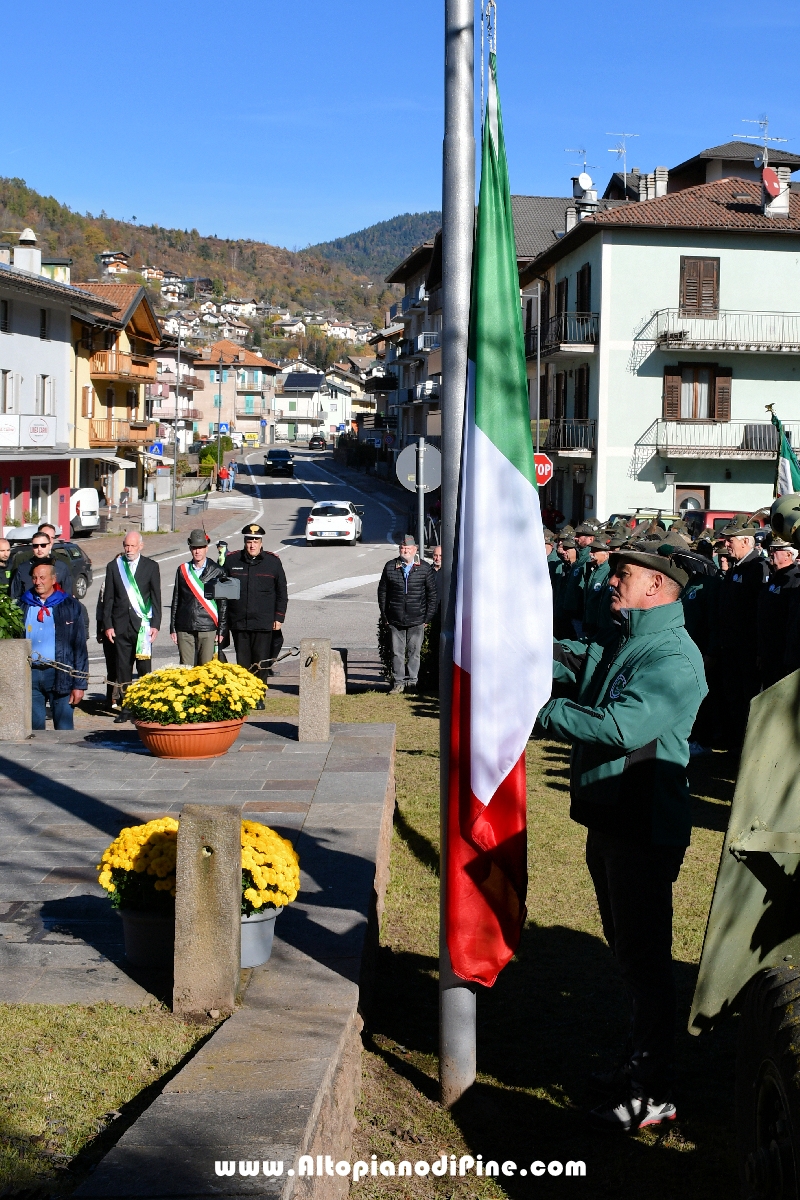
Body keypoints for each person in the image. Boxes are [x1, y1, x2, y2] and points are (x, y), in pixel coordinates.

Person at [538, 542, 707, 1132]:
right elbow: (590, 662)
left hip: (641, 828)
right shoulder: (632, 639)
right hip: (612, 819)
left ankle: (654, 1090)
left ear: (657, 588)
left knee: (646, 962)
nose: (613, 582)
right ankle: (636, 1066)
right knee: (630, 958)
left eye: (624, 575)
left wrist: (542, 708)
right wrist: (543, 653)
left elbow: (620, 726)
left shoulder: (672, 658)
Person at [713, 516, 771, 750]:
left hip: (747, 649)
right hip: (731, 647)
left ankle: (748, 750)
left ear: (746, 541)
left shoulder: (757, 568)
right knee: (733, 697)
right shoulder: (737, 567)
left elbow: (759, 613)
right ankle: (735, 745)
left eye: (731, 540)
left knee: (747, 699)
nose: (727, 545)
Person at [22, 560, 88, 730]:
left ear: (53, 579)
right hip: (31, 674)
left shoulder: (69, 606)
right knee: (34, 730)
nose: (38, 582)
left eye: (42, 577)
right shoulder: (23, 604)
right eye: (35, 578)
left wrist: (79, 685)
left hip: (61, 673)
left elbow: (79, 646)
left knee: (64, 729)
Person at [224, 523, 287, 696]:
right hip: (239, 622)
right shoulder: (231, 561)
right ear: (244, 542)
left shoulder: (273, 562)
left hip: (263, 622)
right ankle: (244, 694)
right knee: (242, 662)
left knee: (262, 661)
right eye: (249, 541)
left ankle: (259, 694)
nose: (252, 545)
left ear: (261, 542)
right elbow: (223, 593)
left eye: (256, 541)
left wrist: (279, 617)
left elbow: (282, 593)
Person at [378, 533, 438, 694]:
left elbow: (432, 595)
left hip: (417, 619)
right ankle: (398, 683)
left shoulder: (424, 568)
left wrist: (427, 618)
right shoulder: (390, 566)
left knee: (414, 653)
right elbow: (382, 592)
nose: (405, 550)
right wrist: (385, 616)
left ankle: (412, 683)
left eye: (408, 548)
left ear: (415, 549)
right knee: (397, 654)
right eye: (402, 548)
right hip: (395, 619)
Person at [102, 532, 162, 689]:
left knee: (144, 669)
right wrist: (108, 624)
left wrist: (155, 624)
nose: (129, 549)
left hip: (142, 626)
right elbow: (108, 599)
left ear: (140, 546)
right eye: (126, 545)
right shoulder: (114, 566)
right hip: (120, 626)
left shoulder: (151, 566)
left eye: (132, 546)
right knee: (123, 669)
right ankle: (126, 707)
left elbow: (156, 598)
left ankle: (143, 705)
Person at [170, 529, 229, 666]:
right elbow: (176, 599)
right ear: (190, 548)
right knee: (186, 668)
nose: (197, 551)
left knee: (206, 668)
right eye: (195, 548)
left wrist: (221, 630)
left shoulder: (218, 571)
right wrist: (173, 627)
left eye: (201, 547)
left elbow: (223, 604)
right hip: (185, 626)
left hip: (207, 625)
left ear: (206, 548)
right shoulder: (182, 570)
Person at [758, 536, 800, 690]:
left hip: (781, 654)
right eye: (771, 549)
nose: (771, 552)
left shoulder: (794, 580)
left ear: (789, 554)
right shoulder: (775, 577)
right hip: (767, 652)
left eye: (776, 550)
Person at [11, 532, 72, 598]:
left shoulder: (61, 567)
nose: (39, 549)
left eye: (43, 545)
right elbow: (15, 596)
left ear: (50, 546)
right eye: (35, 546)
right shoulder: (23, 568)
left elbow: (68, 596)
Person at [561, 522, 595, 637]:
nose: (576, 538)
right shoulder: (579, 559)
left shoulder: (588, 560)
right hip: (572, 612)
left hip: (581, 613)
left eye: (579, 536)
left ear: (590, 538)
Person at [581, 535, 615, 642]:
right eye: (591, 550)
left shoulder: (609, 571)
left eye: (594, 551)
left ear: (606, 554)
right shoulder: (594, 569)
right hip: (590, 622)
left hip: (601, 625)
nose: (590, 554)